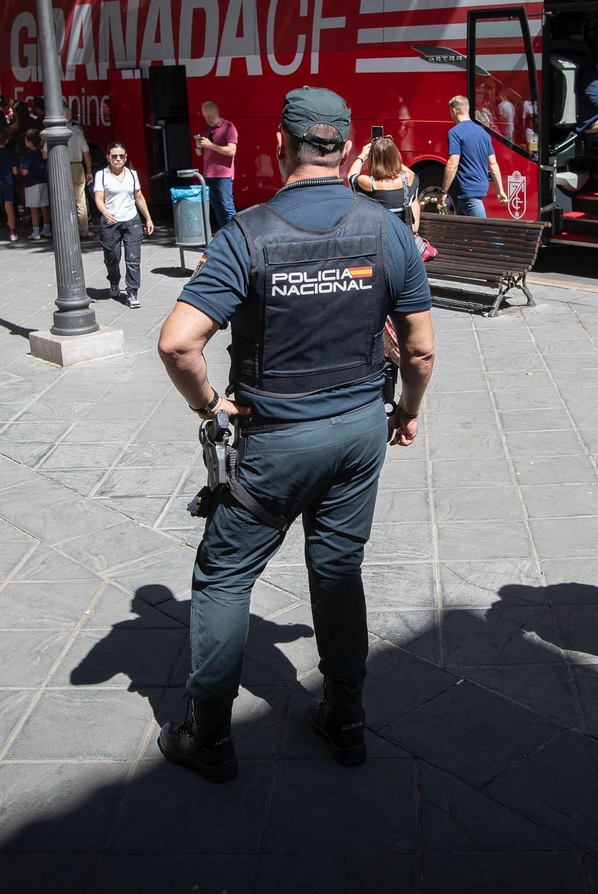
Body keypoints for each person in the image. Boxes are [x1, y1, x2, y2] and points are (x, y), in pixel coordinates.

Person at [155, 87, 436, 782]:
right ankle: (345, 719)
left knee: (223, 575)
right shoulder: (387, 230)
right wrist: (407, 409)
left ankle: (210, 736)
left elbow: (177, 343)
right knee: (338, 570)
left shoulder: (247, 233)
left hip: (278, 439)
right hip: (360, 431)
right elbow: (421, 350)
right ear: (345, 149)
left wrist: (211, 405)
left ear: (279, 144)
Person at [93, 142, 155, 306]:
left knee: (133, 259)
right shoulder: (102, 175)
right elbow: (98, 198)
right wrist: (106, 213)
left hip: (131, 220)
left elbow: (139, 197)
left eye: (121, 156)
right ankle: (114, 280)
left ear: (126, 157)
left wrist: (148, 218)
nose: (118, 159)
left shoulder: (132, 174)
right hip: (110, 221)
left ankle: (132, 292)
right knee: (112, 258)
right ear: (108, 158)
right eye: (114, 156)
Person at [441, 96, 504, 218]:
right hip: (480, 187)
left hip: (468, 190)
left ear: (454, 111)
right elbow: (493, 164)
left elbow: (452, 165)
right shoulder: (483, 133)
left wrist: (444, 191)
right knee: (461, 229)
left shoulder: (454, 133)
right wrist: (500, 190)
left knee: (486, 231)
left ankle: (493, 238)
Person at [347, 135, 420, 235]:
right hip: (404, 239)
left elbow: (351, 176)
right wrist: (392, 158)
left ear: (373, 159)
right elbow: (411, 173)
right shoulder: (410, 178)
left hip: (381, 240)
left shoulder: (370, 184)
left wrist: (362, 155)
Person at [195, 101, 238, 229]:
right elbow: (198, 153)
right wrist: (199, 145)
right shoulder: (206, 129)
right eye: (205, 116)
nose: (207, 119)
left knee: (227, 205)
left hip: (224, 174)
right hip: (208, 174)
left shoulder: (229, 127)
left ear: (216, 112)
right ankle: (224, 233)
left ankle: (235, 234)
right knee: (216, 206)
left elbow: (232, 151)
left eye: (209, 116)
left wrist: (211, 145)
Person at [18, 128, 49, 241]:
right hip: (42, 181)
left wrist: (20, 169)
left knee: (34, 208)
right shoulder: (41, 153)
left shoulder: (28, 155)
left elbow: (25, 171)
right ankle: (47, 228)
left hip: (31, 183)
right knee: (44, 206)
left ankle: (35, 231)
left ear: (29, 142)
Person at [66, 118, 93, 239]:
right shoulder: (77, 132)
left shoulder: (54, 130)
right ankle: (84, 230)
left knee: (65, 200)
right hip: (78, 167)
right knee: (80, 199)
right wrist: (89, 171)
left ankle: (70, 229)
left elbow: (45, 154)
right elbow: (86, 154)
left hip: (63, 167)